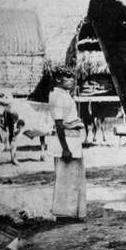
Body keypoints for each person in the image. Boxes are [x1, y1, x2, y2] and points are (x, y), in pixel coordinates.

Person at [49, 69, 87, 219]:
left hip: (73, 139)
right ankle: (63, 214)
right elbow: (59, 123)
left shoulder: (65, 95)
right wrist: (65, 148)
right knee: (65, 178)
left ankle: (72, 213)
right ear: (58, 79)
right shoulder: (57, 96)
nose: (72, 80)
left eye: (72, 78)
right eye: (68, 77)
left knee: (74, 177)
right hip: (66, 141)